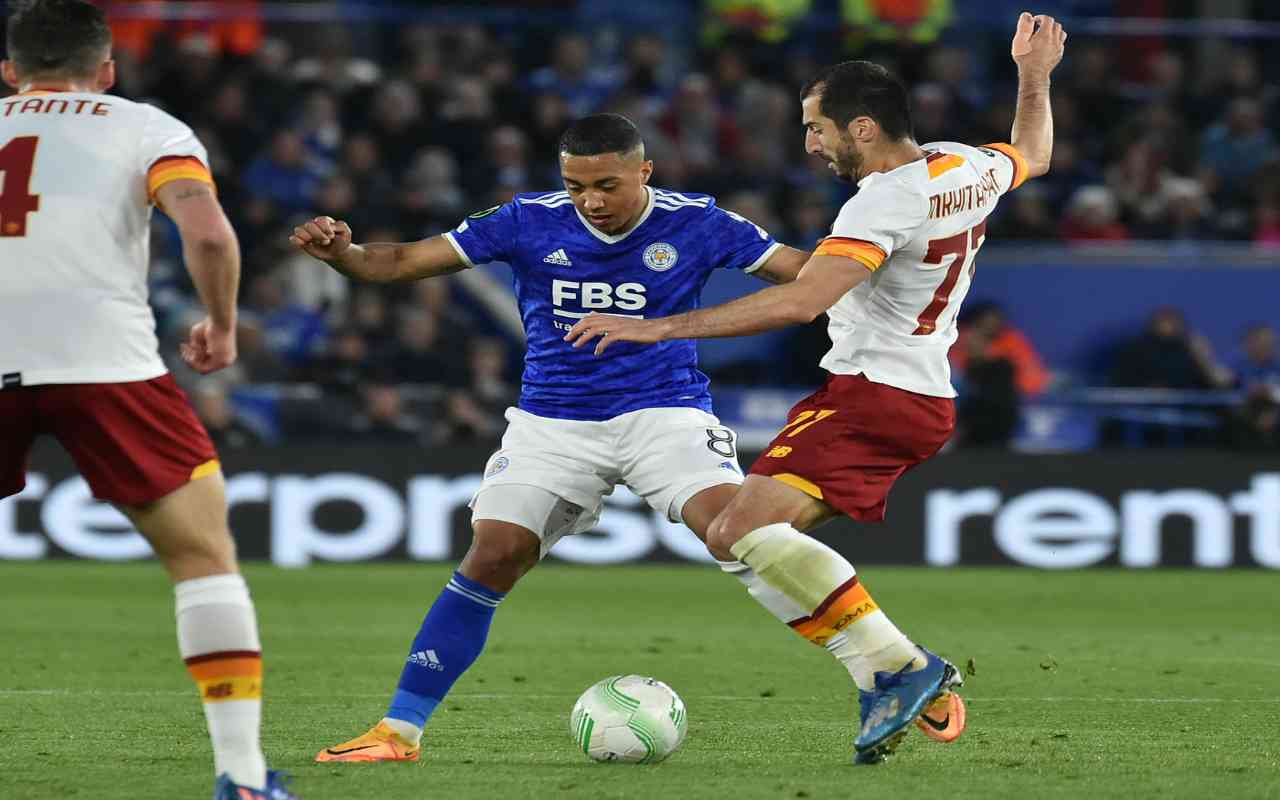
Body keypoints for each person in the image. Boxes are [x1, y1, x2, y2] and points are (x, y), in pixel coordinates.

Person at [291, 112, 963, 765]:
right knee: (493, 553)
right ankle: (398, 730)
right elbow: (400, 261)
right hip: (552, 421)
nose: (591, 201)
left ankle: (884, 666)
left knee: (740, 534)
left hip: (665, 415)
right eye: (576, 186)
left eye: (607, 185)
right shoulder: (527, 220)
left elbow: (812, 276)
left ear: (645, 172)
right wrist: (345, 255)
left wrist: (908, 272)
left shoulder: (697, 222)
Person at [567, 13, 1066, 763]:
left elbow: (805, 300)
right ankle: (882, 672)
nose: (810, 144)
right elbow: (1034, 151)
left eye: (816, 128)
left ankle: (900, 666)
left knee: (733, 534)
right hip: (920, 394)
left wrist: (658, 327)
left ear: (862, 128)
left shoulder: (883, 202)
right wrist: (1033, 75)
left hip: (872, 393)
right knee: (747, 539)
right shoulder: (965, 166)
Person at [0, 3, 297, 799]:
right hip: (104, 361)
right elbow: (209, 234)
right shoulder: (145, 129)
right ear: (106, 71)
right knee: (202, 558)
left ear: (9, 72)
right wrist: (222, 327)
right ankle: (241, 778)